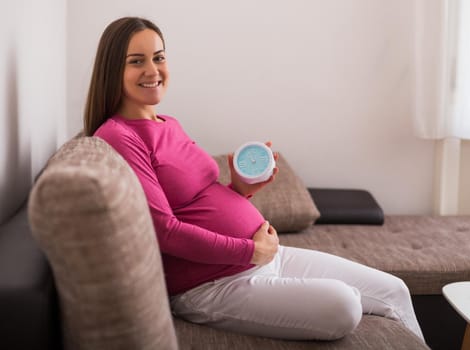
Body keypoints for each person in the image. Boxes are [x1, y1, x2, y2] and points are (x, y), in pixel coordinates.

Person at [84, 16, 425, 342]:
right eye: (136, 61)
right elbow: (164, 231)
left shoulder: (167, 122)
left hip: (264, 256)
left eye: (158, 57)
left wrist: (240, 191)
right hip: (211, 284)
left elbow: (198, 200)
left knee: (394, 289)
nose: (152, 70)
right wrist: (250, 251)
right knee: (345, 306)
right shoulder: (118, 136)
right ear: (113, 70)